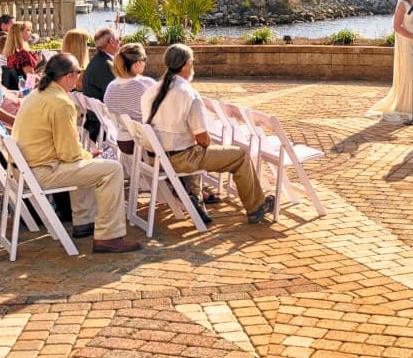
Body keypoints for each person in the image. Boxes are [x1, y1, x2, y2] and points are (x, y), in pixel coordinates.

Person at [12, 53, 141, 252]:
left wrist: (87, 156)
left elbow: (68, 152)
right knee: (112, 169)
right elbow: (69, 154)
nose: (80, 76)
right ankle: (109, 236)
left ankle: (84, 222)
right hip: (41, 171)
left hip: (27, 169)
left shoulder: (37, 94)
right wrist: (90, 156)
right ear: (67, 77)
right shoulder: (61, 102)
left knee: (89, 164)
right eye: (78, 72)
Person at [142, 44, 275, 226]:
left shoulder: (150, 91)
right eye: (192, 62)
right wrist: (207, 148)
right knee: (240, 156)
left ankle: (195, 194)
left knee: (192, 148)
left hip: (154, 158)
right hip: (179, 160)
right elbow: (203, 139)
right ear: (187, 64)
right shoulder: (189, 94)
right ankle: (256, 207)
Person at [366, 0, 413, 121]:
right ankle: (407, 106)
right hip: (408, 44)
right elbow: (397, 26)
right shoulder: (403, 5)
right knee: (410, 73)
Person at [103, 42, 156, 156]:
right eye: (144, 59)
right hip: (147, 144)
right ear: (137, 64)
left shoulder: (111, 86)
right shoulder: (144, 84)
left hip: (123, 141)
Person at [80, 27, 119, 137]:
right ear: (111, 41)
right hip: (102, 124)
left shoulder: (99, 60)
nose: (120, 41)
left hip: (94, 118)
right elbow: (115, 96)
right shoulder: (106, 65)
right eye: (118, 38)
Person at [1, 22, 40, 91]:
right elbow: (30, 83)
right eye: (28, 30)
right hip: (26, 92)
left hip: (14, 90)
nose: (30, 33)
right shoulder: (23, 54)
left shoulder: (9, 53)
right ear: (20, 33)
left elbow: (20, 74)